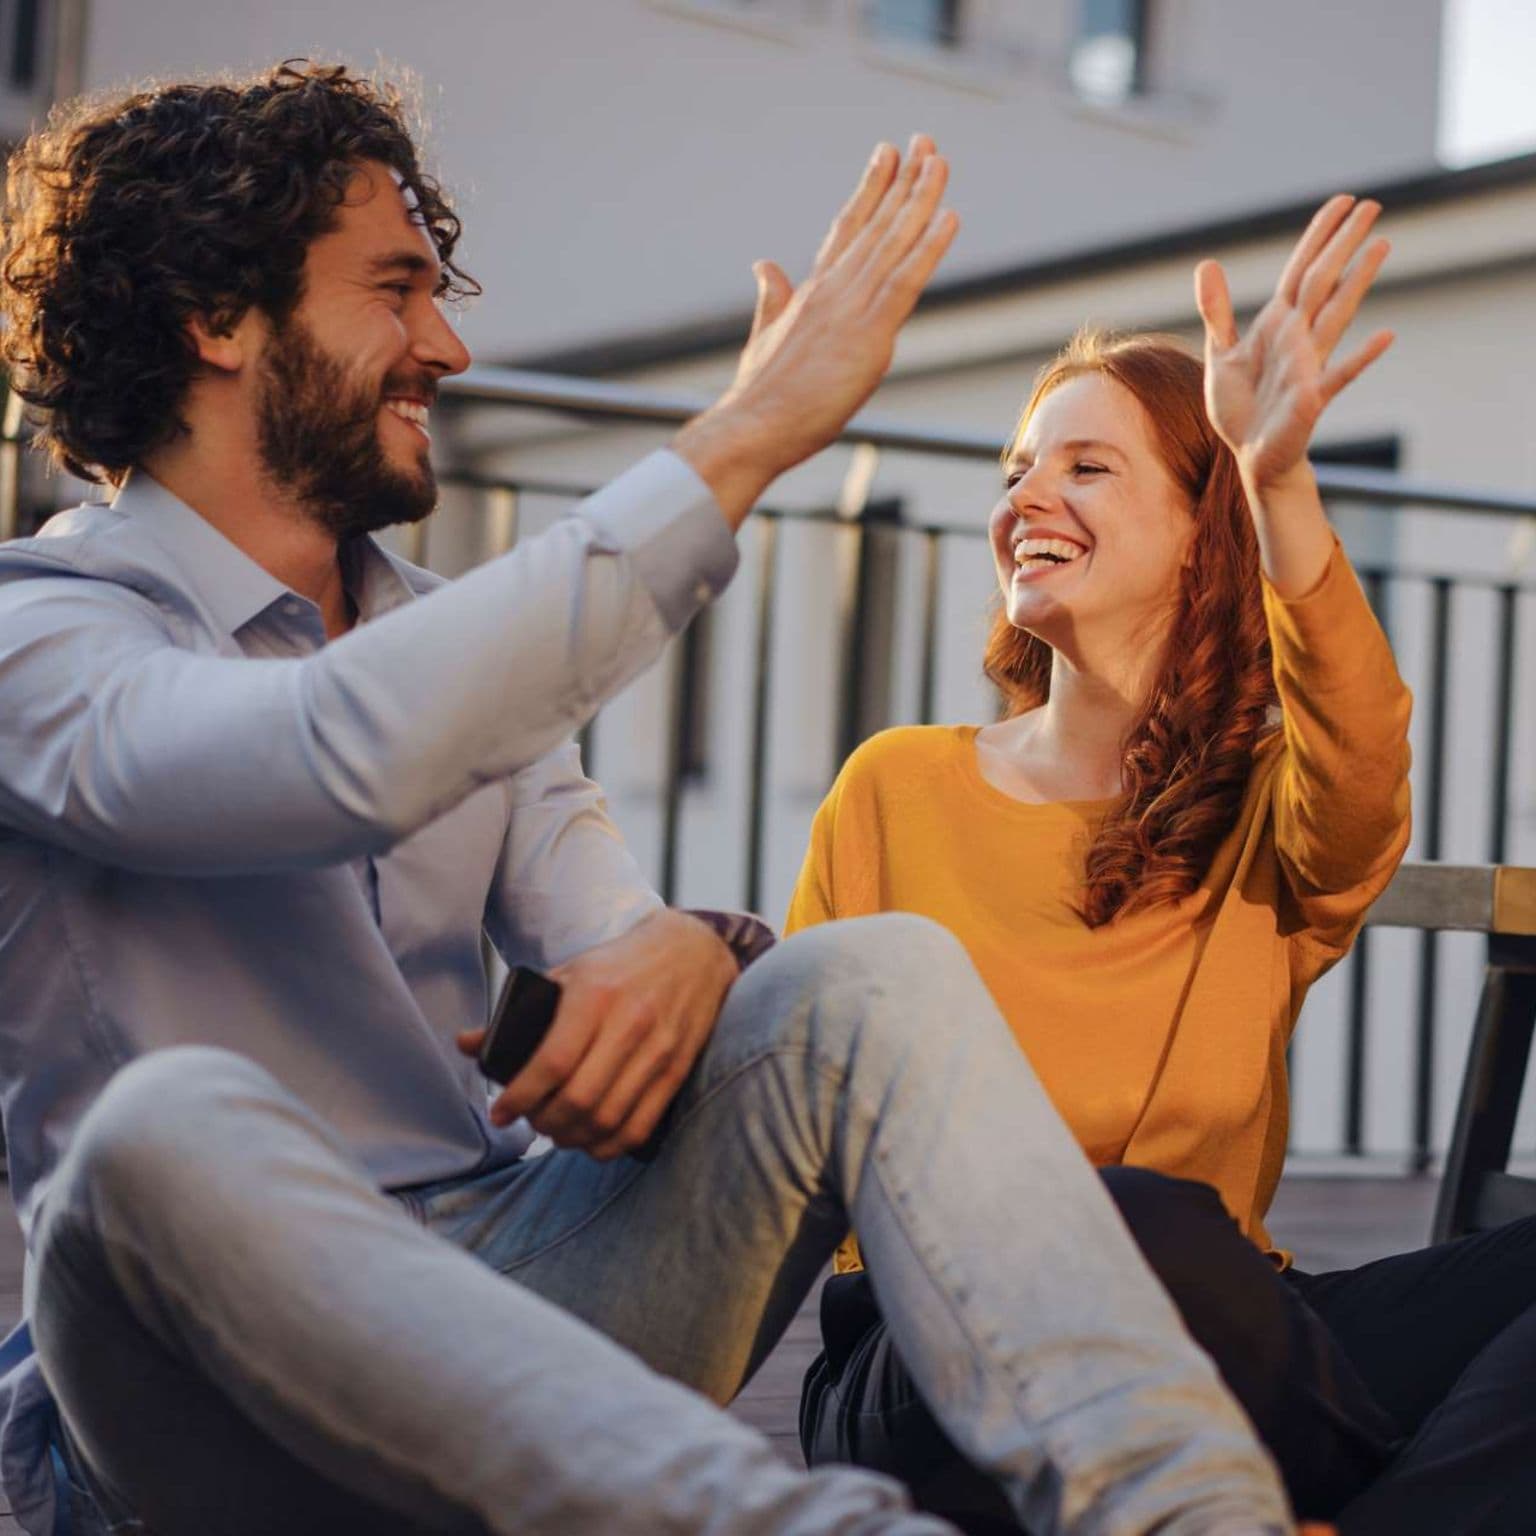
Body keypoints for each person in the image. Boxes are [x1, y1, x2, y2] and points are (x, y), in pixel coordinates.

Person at [0, 61, 1305, 1536]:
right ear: (217, 318)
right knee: (156, 1131)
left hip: (515, 1299)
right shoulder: (40, 635)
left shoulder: (450, 639)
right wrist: (740, 443)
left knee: (873, 976)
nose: (449, 347)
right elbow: (315, 753)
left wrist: (697, 957)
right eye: (395, 291)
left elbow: (611, 932)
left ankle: (1198, 1517)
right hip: (195, 1400)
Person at [790, 194, 1536, 1535]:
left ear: (1205, 530)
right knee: (1128, 1222)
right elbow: (794, 1108)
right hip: (932, 1352)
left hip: (1235, 1325)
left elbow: (1365, 765)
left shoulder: (1269, 811)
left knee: (1180, 1242)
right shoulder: (894, 785)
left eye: (1086, 467)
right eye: (1020, 467)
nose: (1028, 496)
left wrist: (1281, 478)